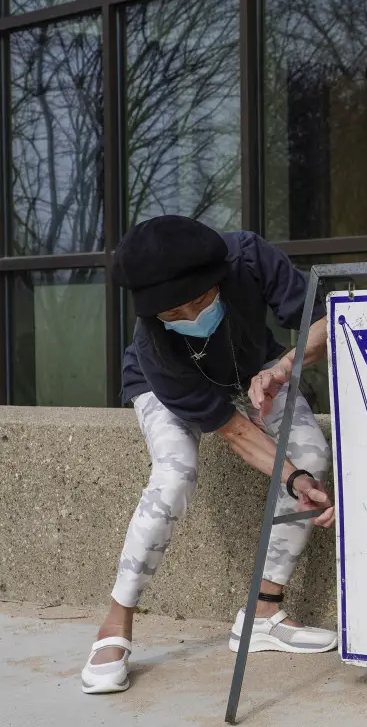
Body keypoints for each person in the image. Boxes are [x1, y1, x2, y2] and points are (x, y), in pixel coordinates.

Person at [82, 215, 338, 695]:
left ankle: (263, 614)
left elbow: (329, 322)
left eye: (198, 302)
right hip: (163, 388)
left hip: (254, 363)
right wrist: (291, 479)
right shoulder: (153, 345)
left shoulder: (247, 256)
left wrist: (283, 370)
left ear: (218, 277)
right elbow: (236, 431)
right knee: (175, 473)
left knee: (312, 452)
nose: (187, 317)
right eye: (172, 313)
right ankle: (115, 622)